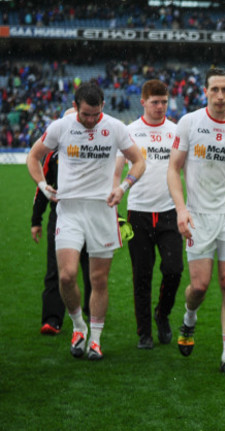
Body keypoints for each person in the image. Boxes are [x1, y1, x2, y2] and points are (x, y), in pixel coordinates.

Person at [26, 82, 145, 360]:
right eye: (85, 115)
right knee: (66, 276)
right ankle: (78, 326)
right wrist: (44, 187)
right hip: (69, 210)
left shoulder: (115, 128)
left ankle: (96, 339)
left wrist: (123, 187)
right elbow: (33, 157)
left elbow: (138, 162)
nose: (91, 121)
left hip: (102, 212)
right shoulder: (61, 127)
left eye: (96, 114)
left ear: (102, 106)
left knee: (98, 279)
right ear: (76, 107)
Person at [167, 67, 225, 376]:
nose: (220, 95)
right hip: (198, 216)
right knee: (200, 287)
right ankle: (189, 317)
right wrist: (181, 209)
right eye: (214, 89)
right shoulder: (190, 123)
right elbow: (173, 169)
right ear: (205, 91)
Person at [114, 79, 184, 350]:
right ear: (142, 102)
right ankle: (144, 332)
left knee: (174, 270)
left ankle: (162, 314)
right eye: (155, 102)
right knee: (141, 275)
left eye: (164, 101)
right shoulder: (129, 131)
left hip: (168, 212)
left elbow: (185, 168)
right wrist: (116, 193)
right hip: (139, 213)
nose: (160, 107)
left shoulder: (176, 131)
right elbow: (118, 168)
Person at [31, 145, 92, 335]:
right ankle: (52, 318)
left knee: (93, 270)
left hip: (93, 216)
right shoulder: (53, 154)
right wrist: (36, 220)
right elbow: (44, 186)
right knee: (57, 269)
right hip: (61, 216)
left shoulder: (97, 148)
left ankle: (92, 311)